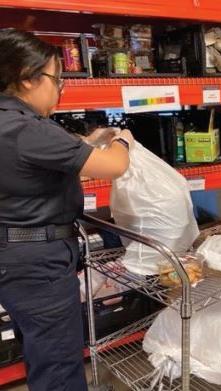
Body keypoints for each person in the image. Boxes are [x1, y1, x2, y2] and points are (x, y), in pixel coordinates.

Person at [0, 29, 134, 391]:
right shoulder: (28, 129)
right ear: (28, 78)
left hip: (14, 259)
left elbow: (42, 157)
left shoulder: (10, 123)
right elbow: (114, 166)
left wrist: (88, 143)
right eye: (56, 80)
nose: (59, 90)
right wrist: (122, 139)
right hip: (38, 265)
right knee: (59, 363)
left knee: (41, 350)